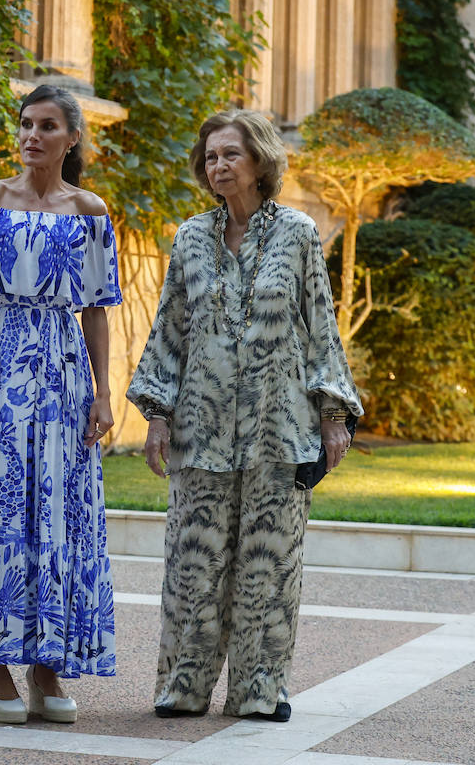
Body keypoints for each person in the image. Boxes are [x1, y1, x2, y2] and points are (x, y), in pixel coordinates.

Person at [126, 109, 362, 722]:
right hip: (200, 429)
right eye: (210, 157)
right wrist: (156, 410)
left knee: (270, 561)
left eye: (230, 153)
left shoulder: (300, 234)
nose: (218, 165)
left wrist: (333, 412)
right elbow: (170, 331)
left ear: (260, 160)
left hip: (278, 428)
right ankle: (184, 685)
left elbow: (319, 327)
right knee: (192, 559)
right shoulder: (189, 239)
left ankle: (261, 689)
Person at [0, 84, 120, 725]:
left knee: (56, 511)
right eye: (25, 124)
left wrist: (101, 390)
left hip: (61, 373)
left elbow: (96, 310)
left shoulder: (90, 211)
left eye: (46, 125)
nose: (31, 135)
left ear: (71, 138)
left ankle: (47, 664)